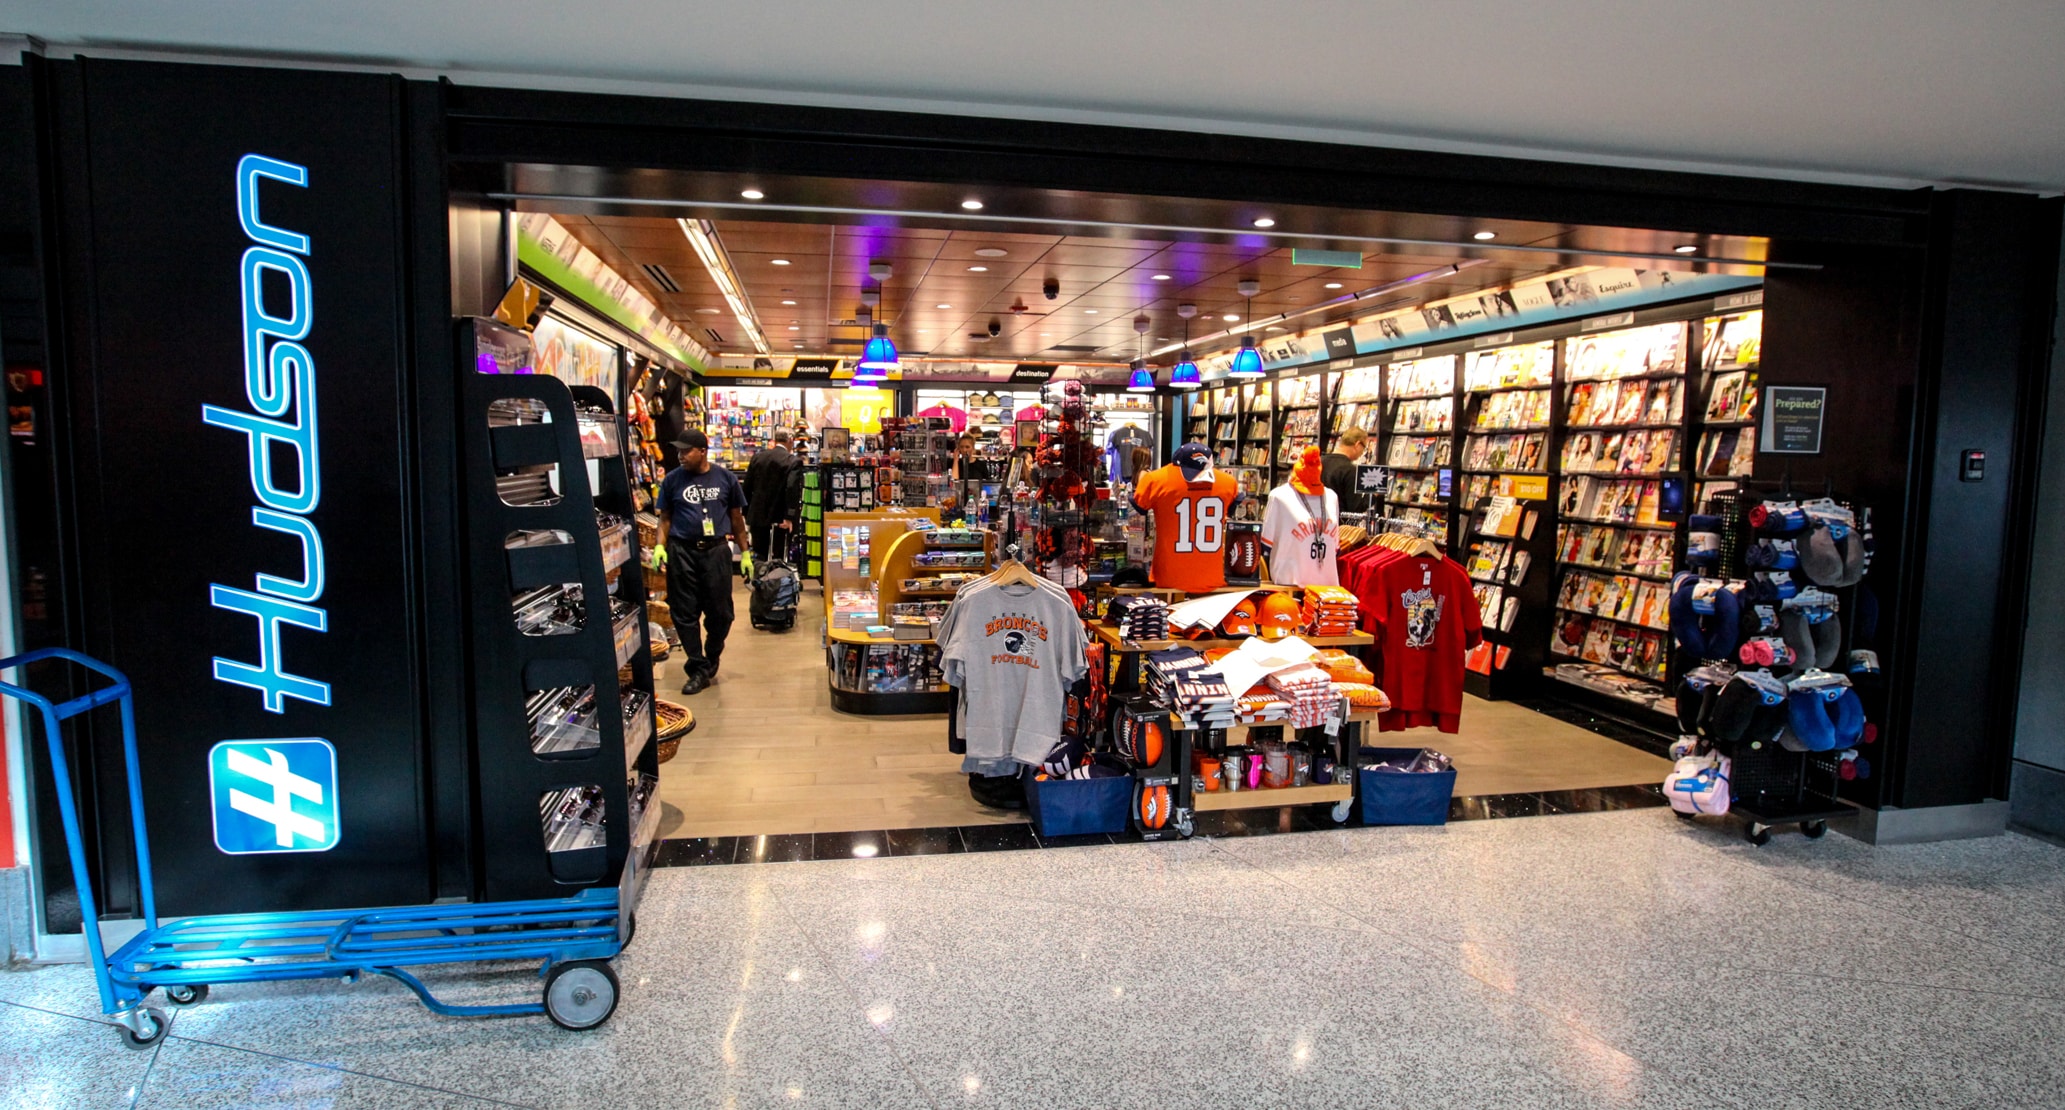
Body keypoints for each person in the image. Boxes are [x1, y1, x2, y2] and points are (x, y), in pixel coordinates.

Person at [658, 430, 749, 695]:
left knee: (722, 614)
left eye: (686, 451)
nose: (681, 456)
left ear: (702, 451)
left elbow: (736, 519)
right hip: (681, 551)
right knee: (684, 614)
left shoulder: (726, 478)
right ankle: (697, 669)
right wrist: (659, 548)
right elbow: (665, 517)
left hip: (716, 551)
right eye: (679, 451)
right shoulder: (672, 480)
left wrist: (745, 553)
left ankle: (711, 656)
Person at [742, 429, 801, 564]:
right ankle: (776, 582)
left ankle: (759, 581)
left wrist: (746, 512)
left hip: (757, 515)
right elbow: (791, 490)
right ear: (790, 440)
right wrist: (789, 516)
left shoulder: (758, 457)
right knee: (778, 555)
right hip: (780, 517)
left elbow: (747, 486)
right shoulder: (792, 461)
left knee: (759, 553)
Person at [1321, 427, 1371, 514]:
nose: (1363, 452)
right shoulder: (1350, 470)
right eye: (1364, 447)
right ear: (1358, 444)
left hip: (1314, 521)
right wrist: (1372, 495)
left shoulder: (1319, 461)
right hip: (1338, 524)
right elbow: (1354, 510)